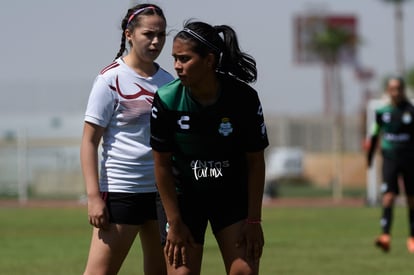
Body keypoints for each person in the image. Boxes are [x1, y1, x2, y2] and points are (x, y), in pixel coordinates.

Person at [150, 20, 269, 274]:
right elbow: (161, 166)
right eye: (175, 58)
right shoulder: (166, 99)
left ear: (209, 60)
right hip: (183, 198)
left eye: (184, 58)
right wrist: (174, 222)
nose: (176, 66)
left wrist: (254, 220)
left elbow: (256, 162)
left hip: (229, 194)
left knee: (243, 272)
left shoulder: (243, 99)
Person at [80, 3, 174, 275]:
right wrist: (94, 197)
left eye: (161, 35)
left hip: (160, 195)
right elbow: (88, 142)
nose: (156, 41)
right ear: (129, 34)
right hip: (122, 191)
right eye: (148, 34)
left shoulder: (168, 83)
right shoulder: (110, 79)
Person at [367, 76, 414, 253]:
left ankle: (412, 238)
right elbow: (374, 135)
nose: (395, 92)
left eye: (398, 88)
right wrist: (370, 157)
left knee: (411, 199)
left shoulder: (411, 111)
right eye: (392, 89)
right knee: (388, 196)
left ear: (403, 90)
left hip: (410, 159)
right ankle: (385, 236)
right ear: (388, 91)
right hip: (390, 159)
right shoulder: (382, 113)